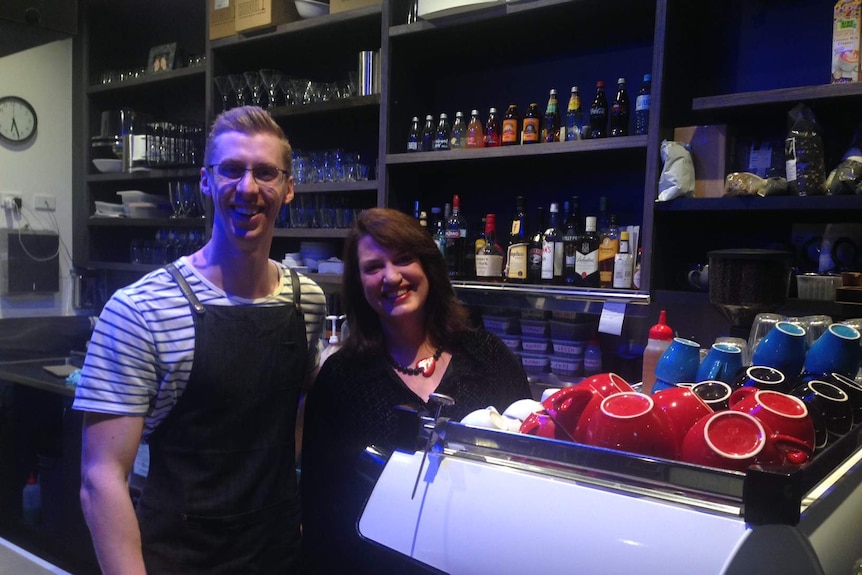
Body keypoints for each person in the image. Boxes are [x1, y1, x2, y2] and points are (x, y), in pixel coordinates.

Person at [73, 106, 326, 574]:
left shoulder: (305, 301)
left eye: (266, 172)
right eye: (231, 170)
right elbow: (100, 479)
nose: (248, 188)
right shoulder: (139, 309)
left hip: (278, 557)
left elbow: (288, 420)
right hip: (179, 558)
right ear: (206, 182)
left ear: (288, 188)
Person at [301, 207, 531, 574]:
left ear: (428, 267)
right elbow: (320, 506)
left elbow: (530, 471)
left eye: (404, 259)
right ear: (359, 284)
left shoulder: (488, 357)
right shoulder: (340, 378)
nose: (391, 277)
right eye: (373, 267)